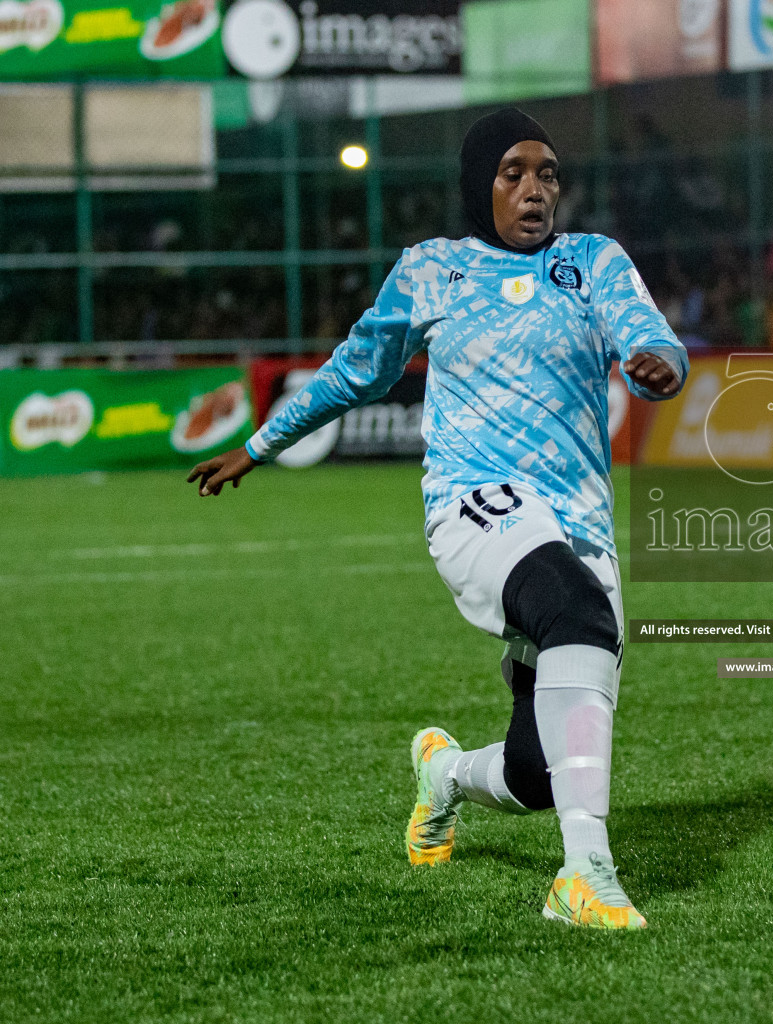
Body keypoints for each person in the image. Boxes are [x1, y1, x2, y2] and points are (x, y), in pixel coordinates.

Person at [187, 108, 688, 930]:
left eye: (547, 174)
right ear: (477, 186)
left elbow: (655, 341)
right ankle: (584, 875)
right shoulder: (432, 271)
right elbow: (356, 371)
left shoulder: (593, 261)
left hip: (579, 526)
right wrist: (260, 443)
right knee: (577, 613)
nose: (534, 190)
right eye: (513, 173)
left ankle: (446, 775)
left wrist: (659, 369)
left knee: (537, 773)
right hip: (475, 503)